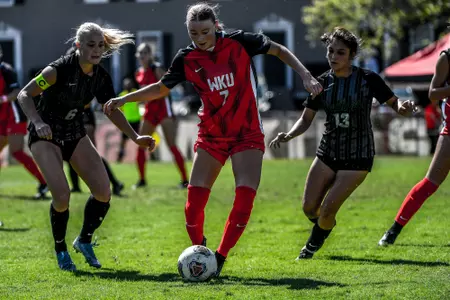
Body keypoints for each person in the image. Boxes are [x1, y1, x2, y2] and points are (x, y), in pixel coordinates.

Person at [104, 2, 322, 277]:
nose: (200, 38)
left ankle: (219, 258)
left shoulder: (240, 41)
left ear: (216, 26)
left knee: (244, 200)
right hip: (211, 135)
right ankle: (200, 252)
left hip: (247, 133)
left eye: (205, 31)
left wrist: (305, 74)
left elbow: (278, 50)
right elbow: (161, 88)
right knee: (192, 206)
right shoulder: (187, 58)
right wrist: (124, 99)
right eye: (193, 33)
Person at [17, 22, 155, 271]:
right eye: (91, 45)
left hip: (74, 133)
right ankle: (61, 250)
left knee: (103, 192)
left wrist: (135, 137)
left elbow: (111, 110)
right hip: (45, 134)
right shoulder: (58, 69)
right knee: (62, 196)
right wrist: (37, 122)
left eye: (100, 45)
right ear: (78, 46)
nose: (97, 50)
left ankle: (84, 240)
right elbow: (25, 95)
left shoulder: (101, 76)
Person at [269, 27, 416, 259]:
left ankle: (309, 249)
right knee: (309, 208)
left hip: (358, 156)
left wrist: (404, 108)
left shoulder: (368, 79)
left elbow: (395, 103)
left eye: (340, 53)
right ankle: (325, 226)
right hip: (328, 151)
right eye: (330, 51)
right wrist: (289, 134)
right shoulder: (320, 83)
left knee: (327, 209)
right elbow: (305, 119)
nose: (333, 57)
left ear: (351, 55)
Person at [378, 47, 450, 246]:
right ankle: (394, 230)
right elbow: (433, 93)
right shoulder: (447, 58)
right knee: (430, 183)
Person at [62, 46, 124, 195]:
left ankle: (114, 183)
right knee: (70, 153)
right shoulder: (66, 76)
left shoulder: (91, 76)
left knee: (92, 154)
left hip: (84, 116)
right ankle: (76, 186)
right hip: (72, 117)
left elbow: (89, 101)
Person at [133, 42, 189, 189]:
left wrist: (149, 95)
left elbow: (165, 89)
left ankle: (185, 180)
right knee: (140, 144)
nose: (142, 56)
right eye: (140, 53)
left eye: (145, 53)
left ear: (150, 55)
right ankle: (142, 180)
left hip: (163, 111)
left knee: (172, 145)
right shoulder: (139, 72)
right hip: (150, 111)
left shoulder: (156, 68)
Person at [0, 45, 48, 199]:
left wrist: (2, 99)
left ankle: (45, 182)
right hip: (2, 116)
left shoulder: (6, 70)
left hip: (14, 114)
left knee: (16, 151)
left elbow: (16, 92)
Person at [116, 77, 140, 162]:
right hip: (127, 121)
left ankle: (150, 155)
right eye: (126, 84)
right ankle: (120, 157)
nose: (127, 85)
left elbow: (141, 103)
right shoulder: (122, 95)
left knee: (141, 138)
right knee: (123, 141)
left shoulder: (136, 92)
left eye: (129, 84)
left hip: (137, 120)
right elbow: (120, 109)